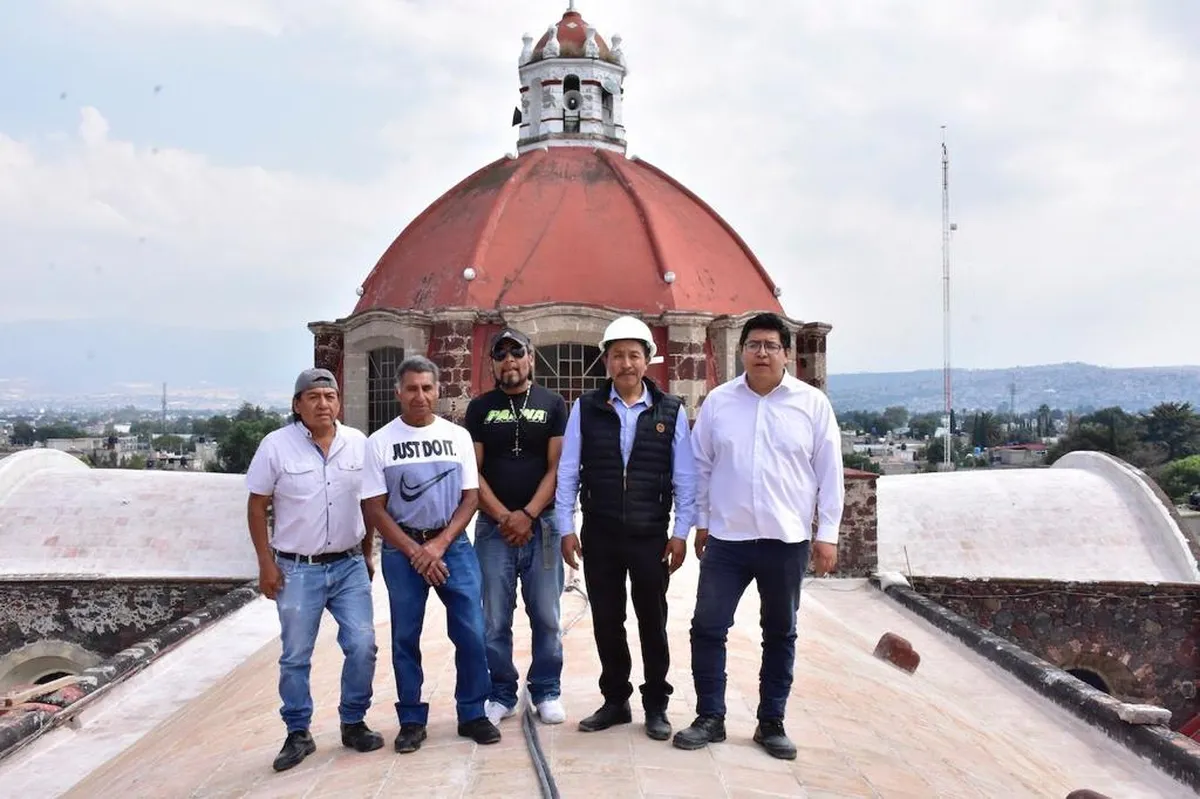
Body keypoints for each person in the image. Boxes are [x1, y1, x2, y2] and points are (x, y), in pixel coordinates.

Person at [672, 312, 844, 760]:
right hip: (727, 540)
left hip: (786, 541)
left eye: (770, 345)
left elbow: (830, 473)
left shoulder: (811, 405)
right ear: (741, 351)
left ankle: (771, 721)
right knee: (707, 627)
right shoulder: (718, 403)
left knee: (780, 632)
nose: (762, 353)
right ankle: (710, 716)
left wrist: (828, 535)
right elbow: (700, 465)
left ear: (786, 353)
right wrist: (701, 522)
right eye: (754, 345)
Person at [555, 315, 696, 741]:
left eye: (635, 355)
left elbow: (684, 478)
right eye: (618, 355)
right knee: (607, 620)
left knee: (652, 621)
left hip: (651, 534)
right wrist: (567, 526)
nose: (626, 364)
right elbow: (568, 472)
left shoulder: (670, 410)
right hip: (600, 532)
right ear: (606, 361)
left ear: (649, 360)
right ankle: (615, 700)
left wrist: (680, 532)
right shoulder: (586, 407)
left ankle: (656, 704)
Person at [245, 367, 383, 773]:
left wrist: (368, 550)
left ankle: (353, 721)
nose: (323, 404)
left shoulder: (358, 444)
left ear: (338, 402)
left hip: (348, 565)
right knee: (295, 655)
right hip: (297, 569)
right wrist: (265, 564)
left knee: (363, 645)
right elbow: (257, 507)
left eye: (330, 396)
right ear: (297, 404)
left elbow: (368, 502)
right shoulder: (276, 446)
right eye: (314, 397)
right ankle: (298, 732)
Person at [361, 355, 501, 754]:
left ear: (438, 391)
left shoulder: (456, 437)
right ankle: (410, 719)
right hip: (401, 550)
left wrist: (438, 546)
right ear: (398, 393)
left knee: (472, 631)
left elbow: (471, 497)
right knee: (405, 635)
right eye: (411, 389)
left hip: (452, 546)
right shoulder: (379, 443)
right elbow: (374, 507)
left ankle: (472, 711)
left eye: (426, 388)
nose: (419, 396)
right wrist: (413, 550)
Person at [464, 328, 570, 727]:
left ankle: (546, 689)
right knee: (493, 618)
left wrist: (527, 514)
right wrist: (504, 516)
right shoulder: (479, 408)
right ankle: (502, 692)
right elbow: (472, 471)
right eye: (500, 354)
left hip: (542, 526)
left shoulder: (553, 404)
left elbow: (558, 467)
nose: (509, 361)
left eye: (517, 353)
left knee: (546, 614)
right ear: (492, 363)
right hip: (494, 530)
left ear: (530, 358)